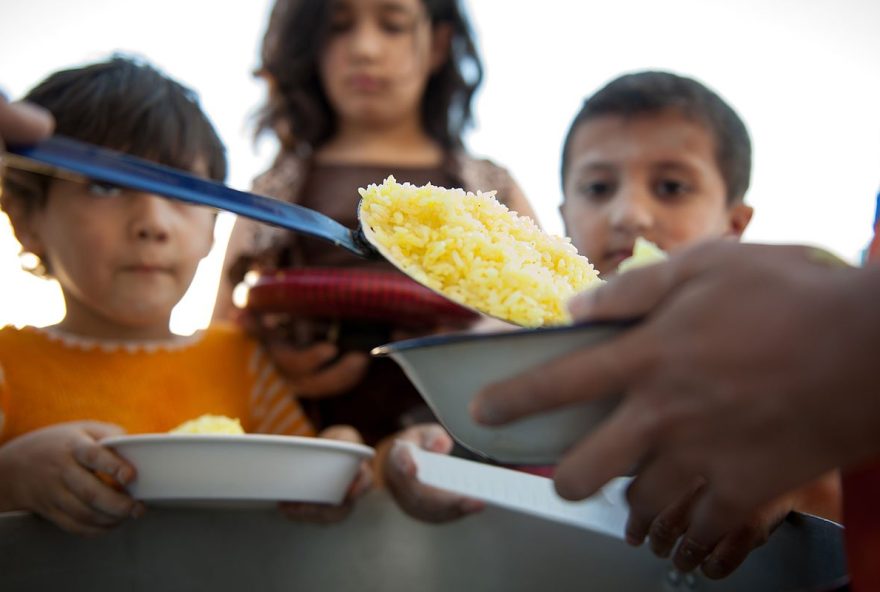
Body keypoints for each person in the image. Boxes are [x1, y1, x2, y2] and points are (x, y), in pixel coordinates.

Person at [0, 57, 369, 537]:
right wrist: (9, 478)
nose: (153, 222)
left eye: (182, 191)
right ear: (27, 220)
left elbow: (298, 490)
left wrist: (337, 466)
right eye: (106, 185)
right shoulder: (8, 366)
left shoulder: (243, 362)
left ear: (214, 228)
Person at [214, 0, 539, 446]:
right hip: (300, 455)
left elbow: (545, 322)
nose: (365, 48)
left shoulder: (490, 187)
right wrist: (265, 368)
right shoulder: (276, 188)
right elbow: (220, 340)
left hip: (468, 459)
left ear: (439, 44)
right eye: (338, 27)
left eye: (393, 25)